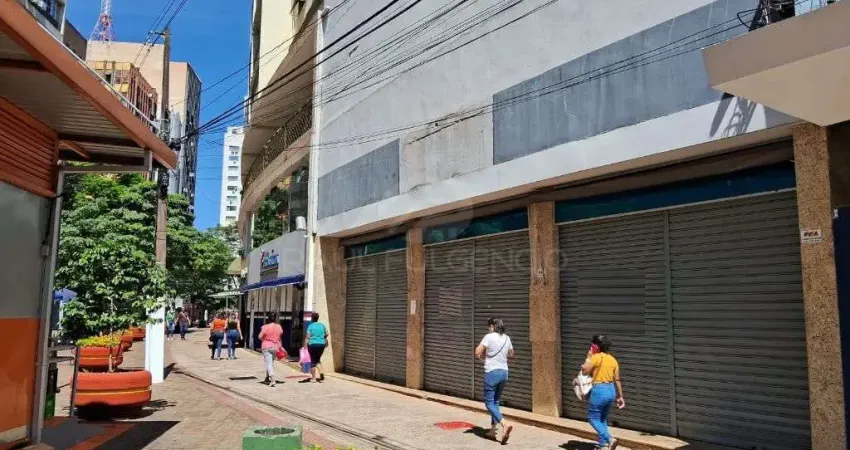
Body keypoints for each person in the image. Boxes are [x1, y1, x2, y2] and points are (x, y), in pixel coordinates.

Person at [580, 334, 625, 450]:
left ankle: (610, 439)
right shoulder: (613, 359)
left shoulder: (596, 357)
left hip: (599, 390)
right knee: (602, 419)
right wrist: (620, 396)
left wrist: (588, 357)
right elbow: (617, 380)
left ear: (596, 346)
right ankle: (602, 445)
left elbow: (584, 370)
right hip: (611, 390)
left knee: (593, 418)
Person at [475, 318, 514, 444]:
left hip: (492, 373)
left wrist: (483, 356)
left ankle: (504, 424)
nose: (488, 329)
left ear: (493, 326)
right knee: (496, 401)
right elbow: (511, 354)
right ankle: (492, 430)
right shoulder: (507, 338)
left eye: (489, 327)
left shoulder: (489, 337)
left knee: (489, 403)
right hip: (504, 373)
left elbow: (477, 351)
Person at [303, 312, 329, 383]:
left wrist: (305, 346)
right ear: (318, 318)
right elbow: (327, 333)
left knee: (312, 361)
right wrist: (323, 337)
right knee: (317, 359)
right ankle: (321, 372)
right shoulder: (322, 325)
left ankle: (313, 378)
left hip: (313, 345)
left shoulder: (310, 326)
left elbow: (308, 337)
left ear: (312, 318)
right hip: (321, 345)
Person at [258, 315, 284, 387]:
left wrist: (264, 339)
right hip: (275, 347)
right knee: (270, 363)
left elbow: (259, 336)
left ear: (268, 319)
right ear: (275, 319)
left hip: (266, 346)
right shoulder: (279, 327)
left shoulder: (265, 327)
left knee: (269, 364)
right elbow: (280, 336)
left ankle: (272, 381)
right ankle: (267, 378)